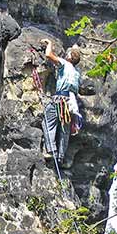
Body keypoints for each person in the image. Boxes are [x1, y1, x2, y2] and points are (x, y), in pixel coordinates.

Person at [40, 38, 82, 169]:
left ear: (69, 57)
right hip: (71, 103)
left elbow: (49, 55)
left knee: (48, 121)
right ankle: (61, 157)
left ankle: (51, 151)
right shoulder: (76, 73)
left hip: (61, 98)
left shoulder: (64, 63)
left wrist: (49, 44)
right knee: (64, 129)